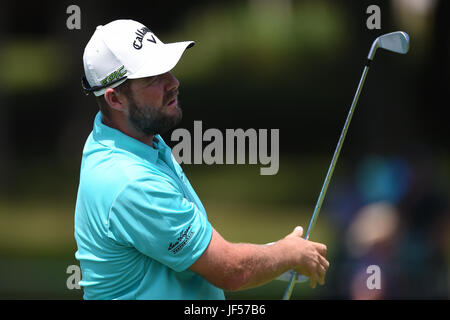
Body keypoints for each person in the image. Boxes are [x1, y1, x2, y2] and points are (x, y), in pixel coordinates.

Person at [74, 19, 329, 300]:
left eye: (167, 70)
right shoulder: (128, 180)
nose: (173, 82)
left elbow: (197, 254)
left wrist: (275, 256)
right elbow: (231, 271)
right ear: (115, 99)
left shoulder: (134, 140)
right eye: (153, 77)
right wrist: (285, 254)